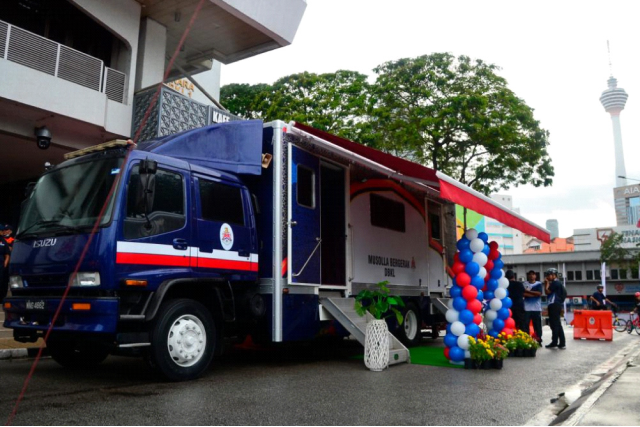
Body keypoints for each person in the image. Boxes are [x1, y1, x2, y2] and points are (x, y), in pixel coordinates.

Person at [544, 268, 566, 349]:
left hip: (554, 304)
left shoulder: (555, 283)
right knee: (557, 324)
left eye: (549, 275)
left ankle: (554, 342)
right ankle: (562, 342)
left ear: (554, 275)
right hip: (556, 304)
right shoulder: (556, 283)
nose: (547, 277)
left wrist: (546, 284)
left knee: (554, 324)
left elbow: (547, 292)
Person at [523, 270, 543, 344]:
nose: (531, 276)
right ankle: (527, 339)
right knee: (526, 325)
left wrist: (529, 292)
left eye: (533, 274)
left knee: (537, 325)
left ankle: (538, 340)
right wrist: (534, 294)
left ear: (535, 276)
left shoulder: (539, 284)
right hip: (527, 308)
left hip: (536, 308)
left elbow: (539, 293)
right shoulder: (525, 284)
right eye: (530, 274)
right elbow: (523, 294)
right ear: (528, 276)